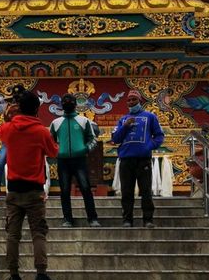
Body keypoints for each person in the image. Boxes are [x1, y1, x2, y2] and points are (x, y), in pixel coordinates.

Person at [0, 86, 59, 280]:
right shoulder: (41, 131)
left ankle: (14, 277)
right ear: (36, 110)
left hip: (13, 189)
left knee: (13, 235)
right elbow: (54, 152)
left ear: (19, 108)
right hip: (34, 190)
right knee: (38, 233)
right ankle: (41, 275)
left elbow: (1, 131)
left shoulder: (9, 129)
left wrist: (9, 117)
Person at [111, 89, 164, 228]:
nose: (131, 102)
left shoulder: (150, 117)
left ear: (140, 101)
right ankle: (127, 220)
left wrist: (149, 146)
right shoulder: (122, 119)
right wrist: (125, 126)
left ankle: (148, 220)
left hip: (143, 159)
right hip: (126, 160)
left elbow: (159, 135)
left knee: (146, 191)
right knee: (126, 192)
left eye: (134, 100)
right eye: (129, 100)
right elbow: (115, 138)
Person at [49, 94, 100, 227]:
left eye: (69, 101)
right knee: (64, 190)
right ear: (61, 104)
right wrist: (57, 152)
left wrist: (85, 149)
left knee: (85, 188)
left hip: (80, 160)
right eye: (65, 101)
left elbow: (93, 139)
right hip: (63, 161)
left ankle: (93, 218)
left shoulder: (84, 121)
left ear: (75, 103)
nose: (67, 103)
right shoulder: (55, 123)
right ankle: (67, 219)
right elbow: (50, 141)